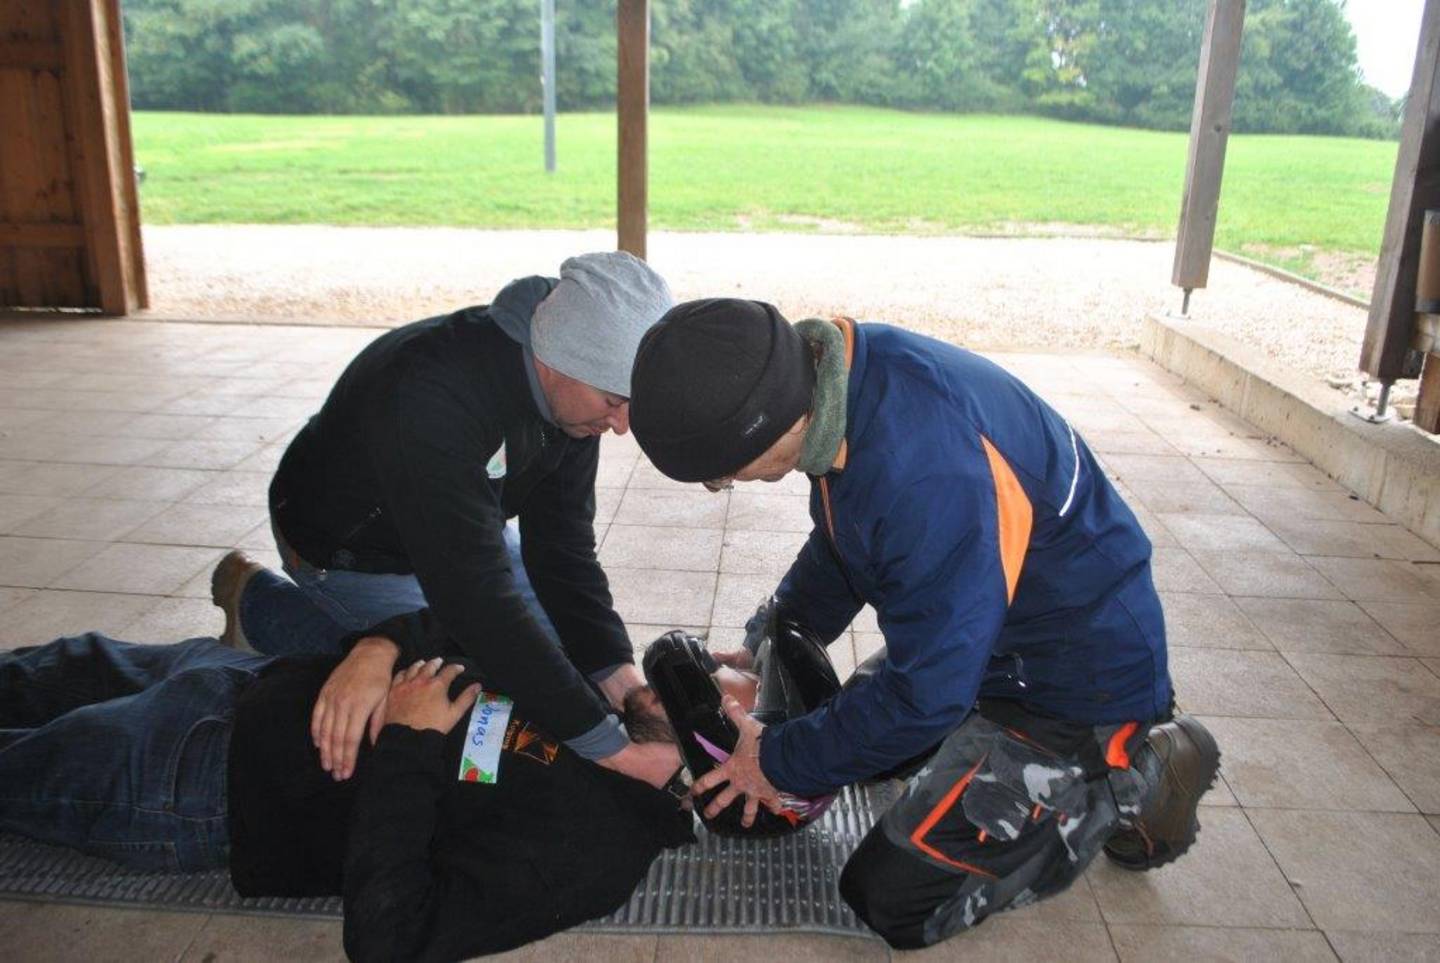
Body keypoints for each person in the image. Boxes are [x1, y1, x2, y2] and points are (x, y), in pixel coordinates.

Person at [626, 298, 1220, 948]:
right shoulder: (841, 383)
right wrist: (767, 637)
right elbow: (845, 540)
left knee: (892, 897)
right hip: (986, 640)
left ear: (756, 430)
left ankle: (1136, 774)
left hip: (1073, 684)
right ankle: (974, 740)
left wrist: (775, 760)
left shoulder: (927, 470)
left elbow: (926, 694)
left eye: (720, 476)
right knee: (859, 737)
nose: (724, 485)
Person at [212, 251, 678, 791]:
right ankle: (260, 606)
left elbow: (562, 549)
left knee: (562, 679)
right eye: (615, 401)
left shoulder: (574, 399)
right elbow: (476, 602)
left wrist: (617, 676)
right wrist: (616, 755)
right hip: (349, 547)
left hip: (453, 522)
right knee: (461, 693)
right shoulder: (433, 391)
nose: (621, 426)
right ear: (559, 360)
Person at [0, 611, 703, 962]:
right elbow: (468, 612)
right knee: (48, 667)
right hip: (243, 677)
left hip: (200, 782)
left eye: (728, 686)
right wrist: (377, 648)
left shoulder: (594, 853)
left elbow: (388, 937)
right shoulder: (597, 707)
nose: (711, 665)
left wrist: (410, 741)